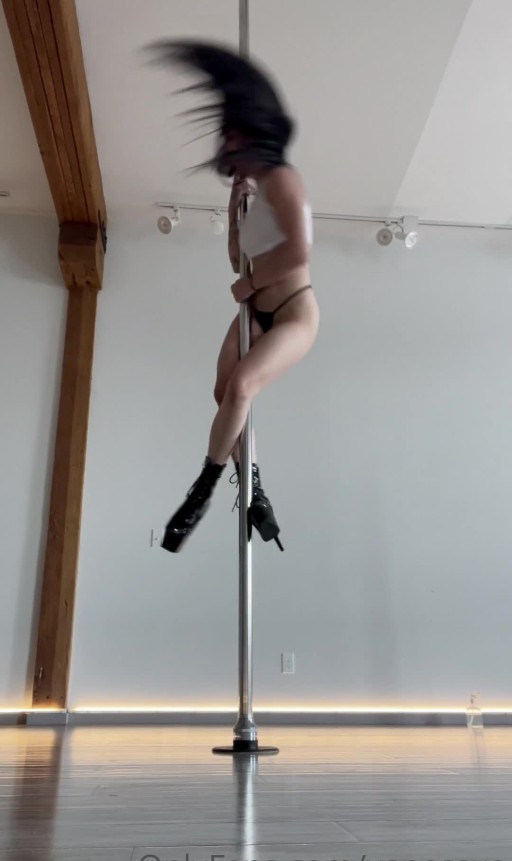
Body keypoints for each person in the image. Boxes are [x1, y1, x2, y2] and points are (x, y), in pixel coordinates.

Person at [148, 41, 319, 552]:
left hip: (293, 314)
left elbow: (299, 250)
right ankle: (254, 490)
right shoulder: (253, 191)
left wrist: (253, 281)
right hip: (256, 311)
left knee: (242, 386)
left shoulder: (283, 180)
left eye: (232, 132)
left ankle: (200, 493)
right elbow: (235, 261)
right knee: (224, 393)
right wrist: (233, 209)